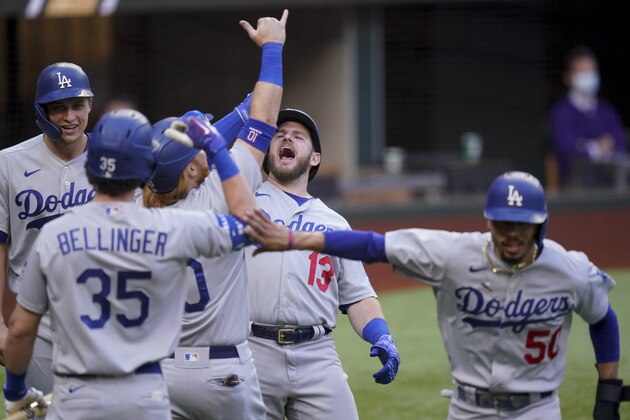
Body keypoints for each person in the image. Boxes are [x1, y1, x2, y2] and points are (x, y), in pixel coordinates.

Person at [244, 171, 625, 420]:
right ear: (489, 221)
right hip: (468, 407)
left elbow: (603, 316)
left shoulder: (569, 269)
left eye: (523, 225)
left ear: (541, 225)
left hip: (537, 408)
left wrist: (608, 387)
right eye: (504, 223)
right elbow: (373, 245)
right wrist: (294, 239)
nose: (512, 233)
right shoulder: (455, 254)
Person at [2, 108, 259, 419]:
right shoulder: (169, 227)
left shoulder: (55, 235)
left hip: (76, 396)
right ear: (144, 168)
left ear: (90, 166)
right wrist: (217, 147)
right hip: (146, 394)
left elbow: (20, 331)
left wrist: (15, 389)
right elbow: (249, 224)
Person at [141, 10, 288, 420]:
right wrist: (272, 47)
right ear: (191, 167)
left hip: (160, 371)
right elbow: (265, 121)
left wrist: (201, 137)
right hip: (223, 372)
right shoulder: (224, 191)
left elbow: (172, 158)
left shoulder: (138, 205)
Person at [244, 108, 400, 420]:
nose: (287, 137)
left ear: (315, 158)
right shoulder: (245, 203)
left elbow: (356, 295)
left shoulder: (335, 223)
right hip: (252, 350)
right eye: (279, 134)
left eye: (298, 136)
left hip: (317, 354)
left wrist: (381, 335)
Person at [0, 62, 96, 394]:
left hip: (100, 311)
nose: (70, 116)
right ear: (42, 111)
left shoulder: (114, 160)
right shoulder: (8, 163)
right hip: (35, 318)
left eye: (77, 105)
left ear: (89, 106)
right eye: (58, 108)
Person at [549, 46, 628, 187]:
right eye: (582, 72)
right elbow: (567, 150)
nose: (588, 77)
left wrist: (585, 145)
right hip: (578, 186)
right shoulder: (561, 113)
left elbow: (620, 142)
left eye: (591, 71)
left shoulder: (607, 110)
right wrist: (597, 148)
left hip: (612, 182)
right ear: (568, 77)